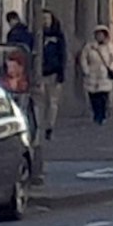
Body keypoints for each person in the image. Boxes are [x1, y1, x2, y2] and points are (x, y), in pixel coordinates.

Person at [36, 11, 68, 141]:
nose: (45, 21)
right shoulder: (37, 35)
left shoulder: (58, 36)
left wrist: (61, 72)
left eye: (47, 18)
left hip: (53, 72)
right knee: (39, 101)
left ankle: (49, 127)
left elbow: (63, 54)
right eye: (42, 18)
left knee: (52, 101)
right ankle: (38, 126)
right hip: (39, 73)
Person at [81, 25, 113, 125]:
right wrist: (86, 69)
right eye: (97, 34)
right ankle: (96, 114)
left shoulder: (110, 47)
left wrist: (111, 68)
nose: (99, 36)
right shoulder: (89, 47)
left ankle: (102, 115)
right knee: (93, 96)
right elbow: (83, 58)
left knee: (103, 96)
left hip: (104, 74)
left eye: (101, 34)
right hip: (92, 74)